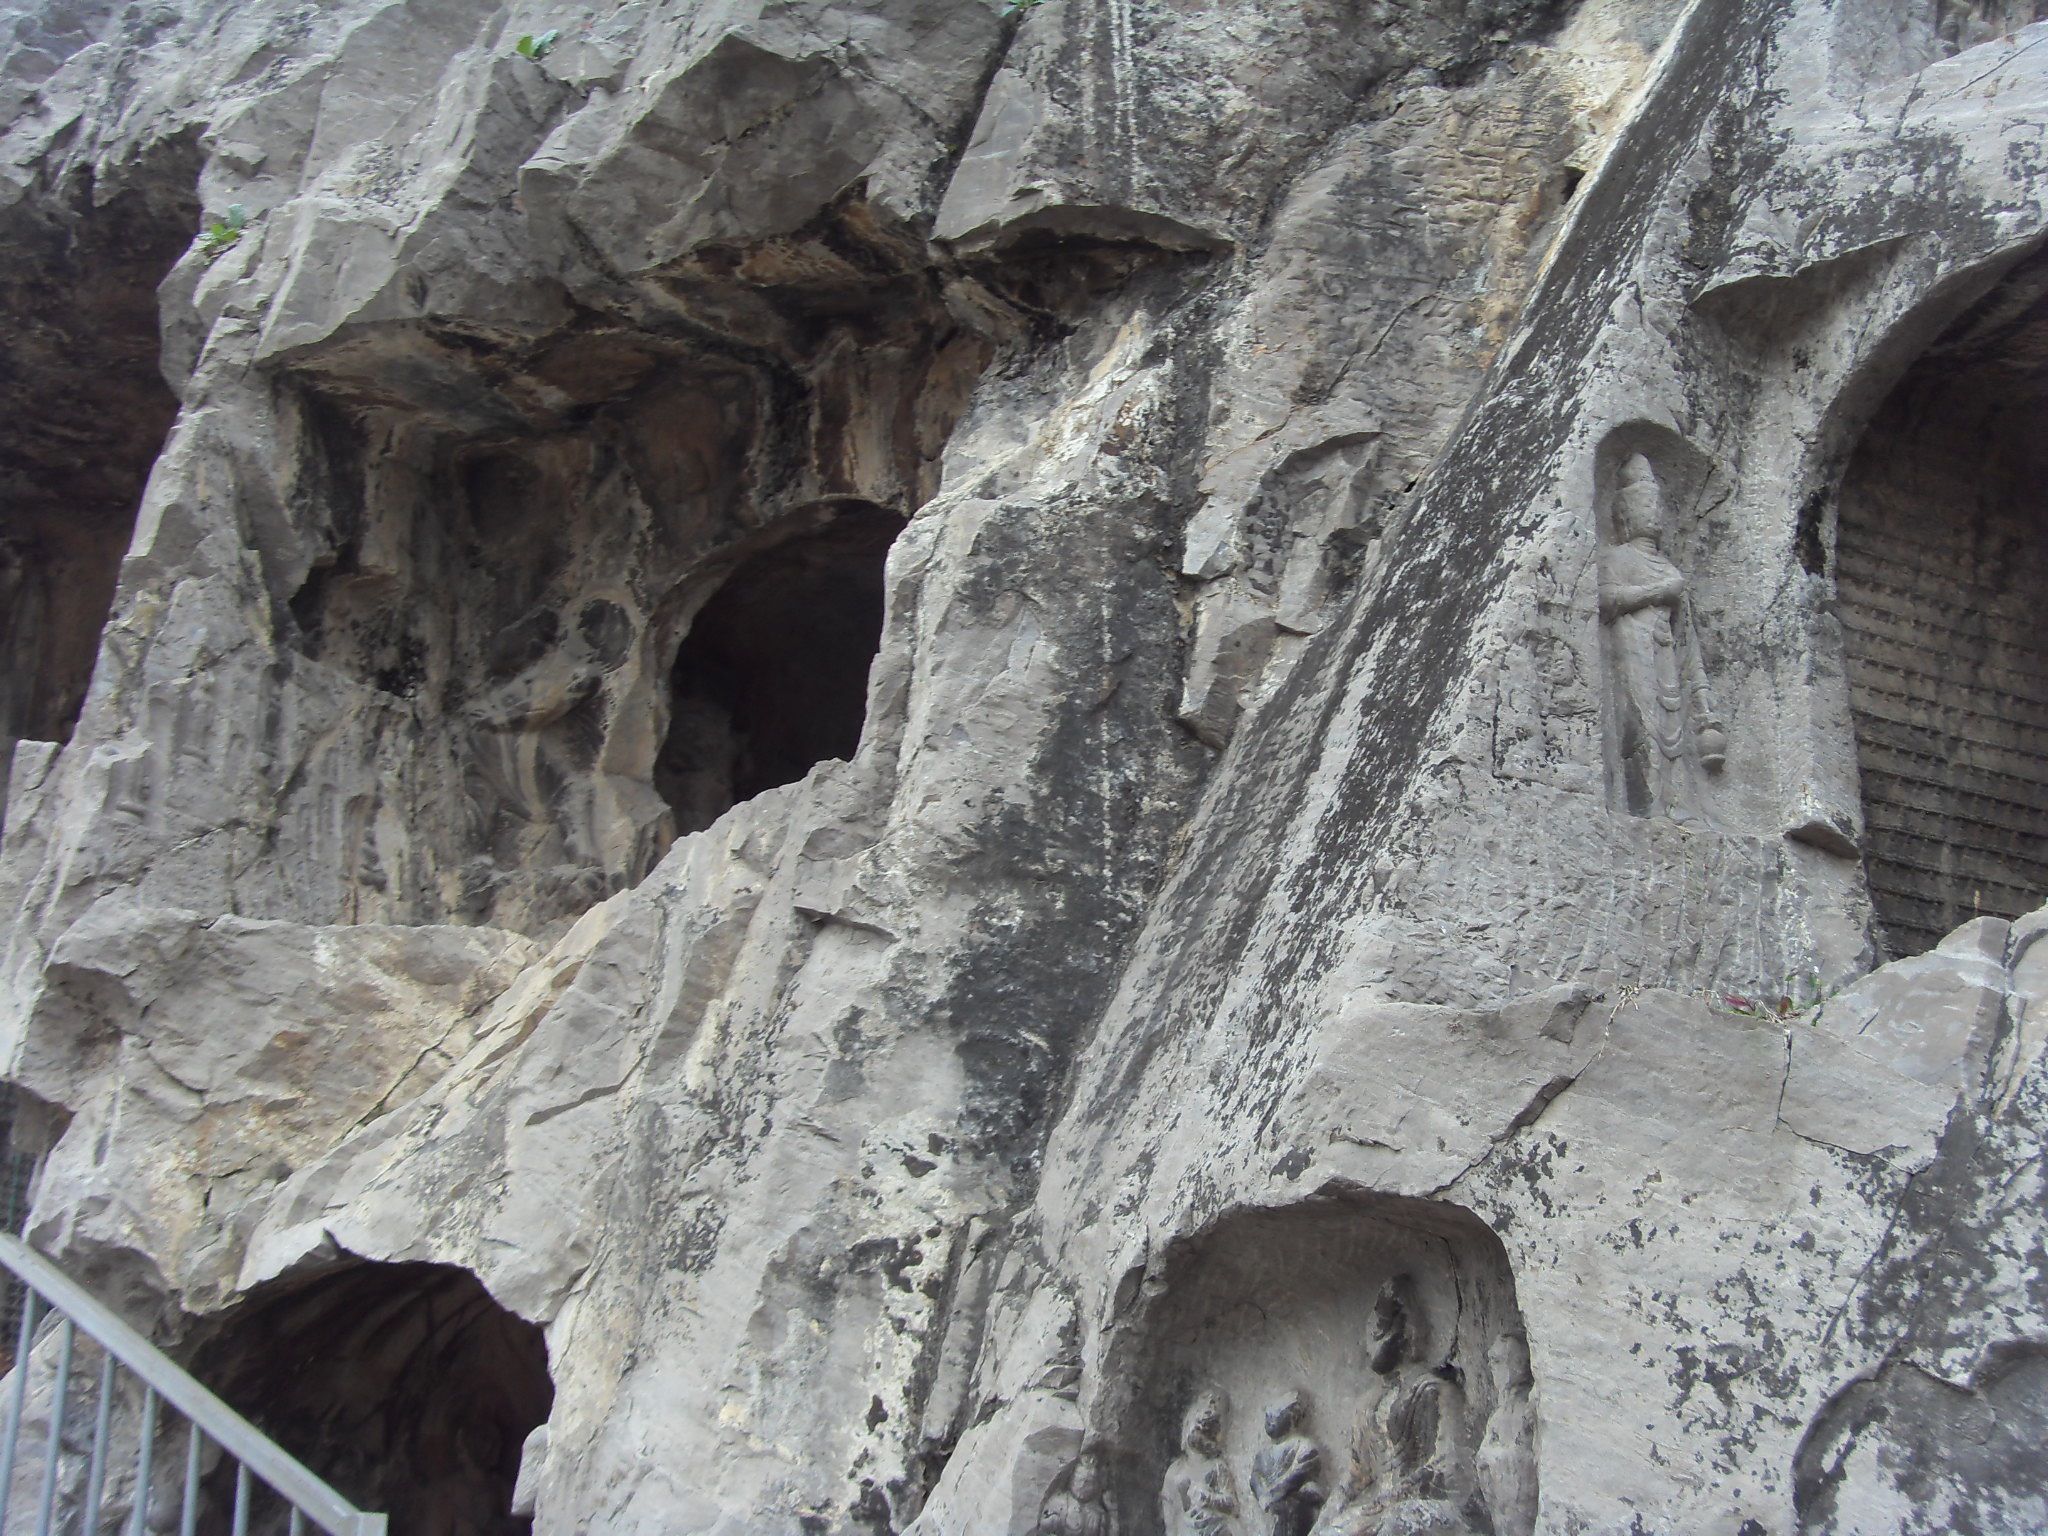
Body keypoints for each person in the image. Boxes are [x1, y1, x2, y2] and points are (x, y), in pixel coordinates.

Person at [1598, 453, 1724, 820]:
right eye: (1643, 506)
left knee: (1675, 732)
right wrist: (1658, 593)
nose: (1652, 514)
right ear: (1624, 515)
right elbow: (1607, 601)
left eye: (1656, 506)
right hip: (1631, 654)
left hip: (1665, 656)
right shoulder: (1617, 557)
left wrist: (1701, 691)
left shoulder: (1669, 569)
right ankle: (1645, 802)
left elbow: (1688, 638)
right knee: (1642, 728)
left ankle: (1677, 803)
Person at [1162, 1389, 1242, 1536]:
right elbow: (1170, 1515)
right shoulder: (1175, 1472)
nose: (1199, 1433)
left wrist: (1208, 1499)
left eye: (1206, 1430)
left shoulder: (1217, 1467)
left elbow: (1232, 1505)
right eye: (1196, 1427)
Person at [1250, 1389, 1325, 1536]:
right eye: (1268, 1416)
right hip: (1271, 1508)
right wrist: (1262, 1496)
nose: (1270, 1421)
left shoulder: (1302, 1444)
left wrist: (1274, 1493)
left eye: (1277, 1416)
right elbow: (1255, 1478)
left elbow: (1301, 1471)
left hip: (1295, 1504)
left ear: (1292, 1418)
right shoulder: (1263, 1454)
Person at [1036, 1440, 1114, 1536]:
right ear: (1071, 1479)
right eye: (1079, 1480)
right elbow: (1042, 1530)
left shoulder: (1098, 1513)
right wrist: (1050, 1524)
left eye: (1088, 1483)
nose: (1082, 1485)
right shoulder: (1058, 1502)